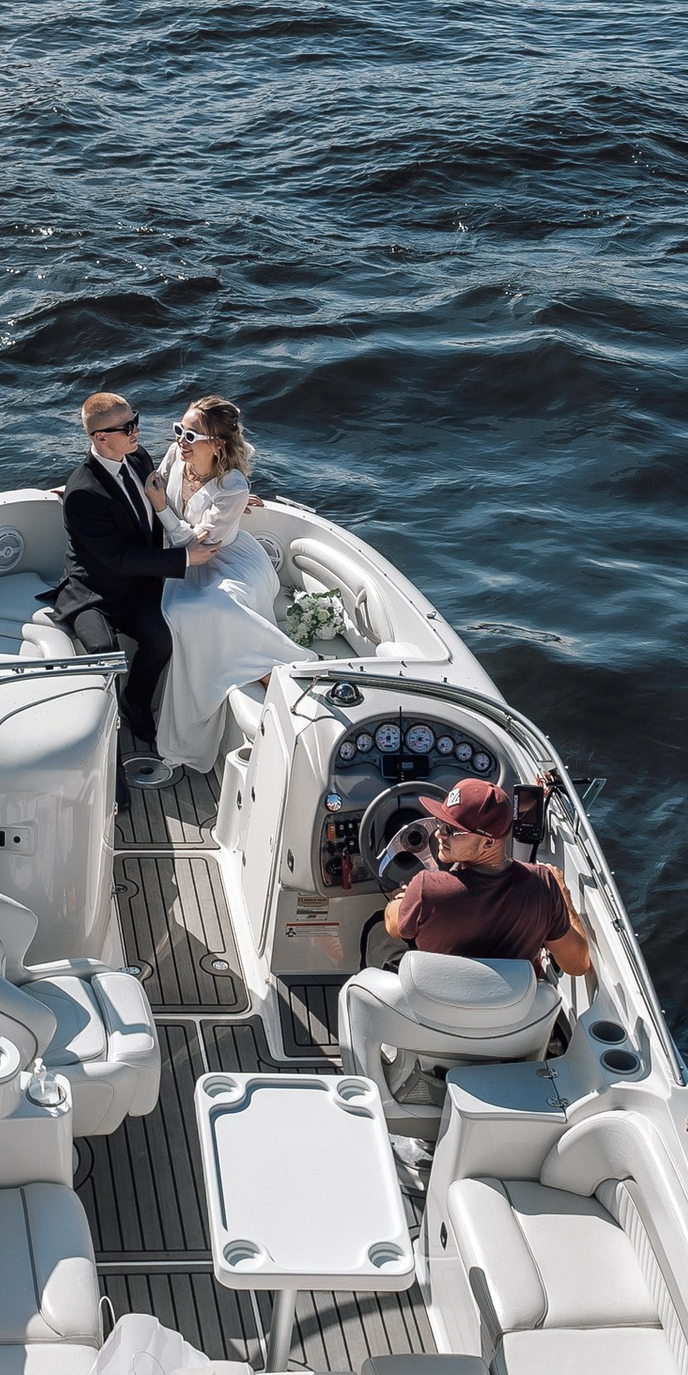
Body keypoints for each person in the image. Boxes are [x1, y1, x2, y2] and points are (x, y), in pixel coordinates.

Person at [338, 776, 590, 1082]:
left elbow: (393, 925)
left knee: (376, 927)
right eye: (440, 822)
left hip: (430, 1024)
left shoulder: (427, 888)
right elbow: (577, 964)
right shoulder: (543, 885)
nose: (440, 834)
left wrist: (402, 900)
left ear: (488, 842)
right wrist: (562, 896)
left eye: (453, 830)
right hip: (504, 1034)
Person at [152, 397, 301, 774]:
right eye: (178, 431)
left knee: (210, 608)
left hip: (231, 562)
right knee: (186, 611)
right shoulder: (177, 457)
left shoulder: (233, 485)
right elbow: (146, 482)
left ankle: (275, 668)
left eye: (191, 435)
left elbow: (196, 544)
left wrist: (161, 507)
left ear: (217, 443)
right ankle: (256, 667)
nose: (181, 440)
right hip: (187, 561)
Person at [61, 390, 181, 776]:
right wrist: (182, 559)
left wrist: (232, 501)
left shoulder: (139, 457)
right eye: (127, 426)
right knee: (105, 656)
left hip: (139, 587)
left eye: (136, 419)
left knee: (161, 639)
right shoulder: (82, 492)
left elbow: (172, 493)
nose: (137, 430)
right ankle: (104, 751)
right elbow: (116, 558)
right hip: (95, 593)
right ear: (100, 438)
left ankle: (136, 703)